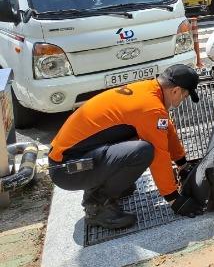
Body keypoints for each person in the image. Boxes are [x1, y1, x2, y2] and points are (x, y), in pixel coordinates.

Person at [48, 64, 205, 229]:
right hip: (67, 170)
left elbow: (166, 128)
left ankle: (105, 185)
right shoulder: (151, 108)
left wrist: (182, 164)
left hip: (74, 159)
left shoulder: (148, 90)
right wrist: (174, 199)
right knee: (143, 151)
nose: (184, 100)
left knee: (140, 145)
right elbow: (159, 155)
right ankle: (96, 206)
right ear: (176, 91)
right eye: (185, 96)